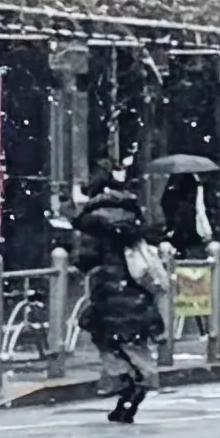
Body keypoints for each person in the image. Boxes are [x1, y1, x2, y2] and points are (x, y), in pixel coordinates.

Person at [72, 171, 168, 424]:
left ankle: (125, 380)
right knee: (134, 339)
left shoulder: (92, 222)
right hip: (136, 289)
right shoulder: (133, 215)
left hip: (107, 290)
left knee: (106, 338)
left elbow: (84, 259)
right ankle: (136, 385)